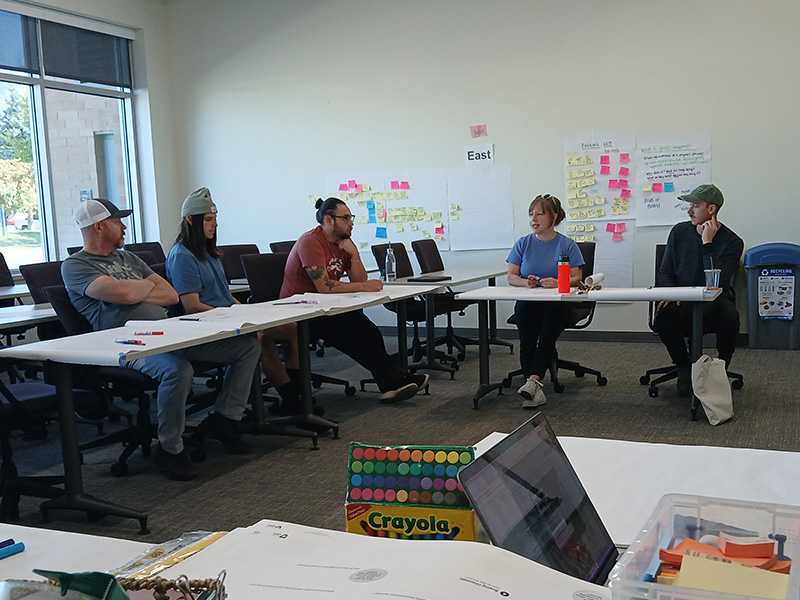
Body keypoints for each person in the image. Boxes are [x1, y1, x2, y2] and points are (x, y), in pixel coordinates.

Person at [62, 197, 261, 481]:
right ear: (99, 227)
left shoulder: (128, 257)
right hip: (127, 346)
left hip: (168, 334)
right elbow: (127, 295)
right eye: (118, 222)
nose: (124, 227)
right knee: (178, 370)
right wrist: (140, 287)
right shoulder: (76, 266)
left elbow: (169, 295)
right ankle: (170, 448)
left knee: (246, 347)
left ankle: (225, 419)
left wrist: (131, 289)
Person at [166, 187, 320, 416]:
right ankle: (292, 400)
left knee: (293, 330)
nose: (214, 224)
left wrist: (248, 311)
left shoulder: (209, 253)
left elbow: (226, 297)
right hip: (206, 324)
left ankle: (297, 397)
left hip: (229, 316)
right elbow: (192, 306)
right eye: (208, 219)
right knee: (260, 337)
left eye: (215, 219)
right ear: (190, 220)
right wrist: (236, 315)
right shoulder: (182, 256)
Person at [280, 197, 429, 402]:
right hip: (299, 310)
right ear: (329, 220)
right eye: (346, 217)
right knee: (351, 334)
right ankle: (395, 380)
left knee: (369, 330)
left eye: (351, 217)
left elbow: (359, 280)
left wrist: (354, 253)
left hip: (326, 307)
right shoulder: (311, 242)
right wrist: (363, 286)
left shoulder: (344, 243)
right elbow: (324, 287)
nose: (352, 222)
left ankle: (392, 382)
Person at [653, 184, 744, 396]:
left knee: (730, 317)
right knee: (664, 319)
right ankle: (683, 366)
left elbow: (718, 281)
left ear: (711, 209)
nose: (689, 211)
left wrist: (707, 243)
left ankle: (721, 367)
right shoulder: (679, 232)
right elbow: (665, 272)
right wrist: (671, 292)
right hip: (682, 298)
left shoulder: (733, 242)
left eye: (695, 205)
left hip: (715, 301)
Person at [507, 194, 584, 409]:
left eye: (540, 213)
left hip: (558, 301)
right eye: (531, 214)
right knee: (526, 337)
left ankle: (533, 383)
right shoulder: (522, 243)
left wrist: (559, 282)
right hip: (530, 299)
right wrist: (526, 283)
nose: (534, 218)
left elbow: (577, 277)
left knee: (547, 333)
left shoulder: (567, 245)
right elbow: (512, 276)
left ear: (554, 217)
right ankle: (531, 384)